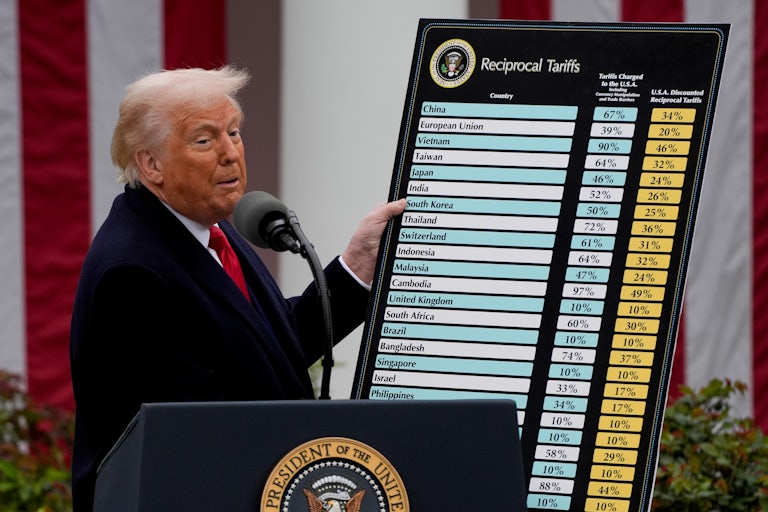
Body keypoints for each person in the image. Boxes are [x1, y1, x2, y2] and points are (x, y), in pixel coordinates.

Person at [69, 66, 405, 511]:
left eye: (234, 132)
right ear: (151, 164)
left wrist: (357, 267)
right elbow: (196, 436)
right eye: (204, 140)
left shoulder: (207, 231)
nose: (230, 153)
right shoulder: (133, 271)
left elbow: (267, 349)